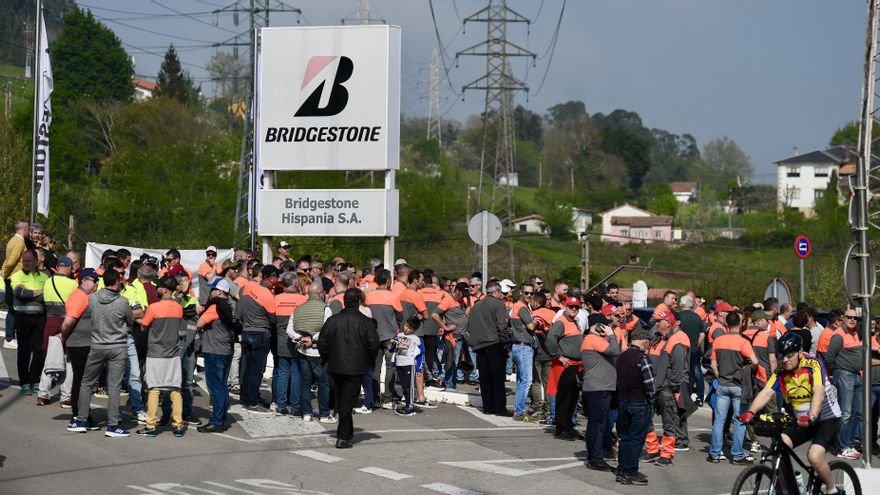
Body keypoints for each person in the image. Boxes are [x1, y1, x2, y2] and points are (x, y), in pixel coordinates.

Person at [740, 333, 842, 495]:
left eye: (789, 356)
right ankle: (789, 489)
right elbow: (767, 391)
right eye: (782, 357)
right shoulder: (781, 370)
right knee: (777, 452)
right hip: (800, 420)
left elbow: (818, 391)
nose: (785, 360)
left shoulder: (812, 364)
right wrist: (751, 411)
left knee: (814, 457)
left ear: (800, 352)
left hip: (826, 419)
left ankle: (832, 489)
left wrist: (812, 416)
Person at [69, 269, 134, 437]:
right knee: (114, 386)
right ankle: (113, 425)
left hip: (97, 345)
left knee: (86, 383)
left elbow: (89, 316)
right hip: (117, 347)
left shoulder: (92, 298)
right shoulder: (123, 302)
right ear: (117, 282)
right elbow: (130, 320)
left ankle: (81, 420)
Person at [318, 288, 380, 449]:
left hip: (336, 366)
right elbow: (373, 345)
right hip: (355, 367)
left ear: (345, 301)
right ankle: (343, 437)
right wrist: (367, 360)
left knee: (343, 400)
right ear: (359, 302)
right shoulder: (365, 322)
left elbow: (322, 342)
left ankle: (347, 433)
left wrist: (327, 358)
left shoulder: (333, 320)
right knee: (346, 402)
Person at [137, 275, 186, 437]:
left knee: (153, 390)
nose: (156, 289)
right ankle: (178, 426)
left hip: (155, 355)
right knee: (175, 390)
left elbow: (144, 326)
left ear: (164, 289)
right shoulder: (178, 307)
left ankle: (151, 426)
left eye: (158, 286)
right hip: (173, 354)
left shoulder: (153, 307)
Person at [707, 311, 759, 465]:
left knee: (719, 421)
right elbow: (755, 362)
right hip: (738, 386)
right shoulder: (743, 342)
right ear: (741, 323)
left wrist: (720, 376)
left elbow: (713, 364)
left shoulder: (718, 340)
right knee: (740, 421)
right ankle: (737, 455)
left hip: (723, 384)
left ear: (726, 324)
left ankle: (714, 454)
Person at [615, 326, 656, 486]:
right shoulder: (642, 358)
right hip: (639, 402)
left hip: (623, 400)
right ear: (645, 341)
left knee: (624, 438)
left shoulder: (621, 356)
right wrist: (651, 401)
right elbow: (650, 384)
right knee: (636, 439)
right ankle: (630, 471)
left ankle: (622, 469)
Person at [235, 265, 279, 414]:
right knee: (256, 370)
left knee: (248, 369)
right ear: (272, 277)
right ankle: (253, 402)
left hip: (246, 332)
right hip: (261, 334)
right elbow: (273, 320)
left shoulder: (247, 288)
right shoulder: (267, 295)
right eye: (276, 278)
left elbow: (239, 312)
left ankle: (247, 398)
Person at [581, 315, 621, 472]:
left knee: (596, 425)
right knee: (598, 426)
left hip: (599, 388)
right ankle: (596, 459)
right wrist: (611, 335)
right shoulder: (593, 339)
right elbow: (615, 351)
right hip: (598, 389)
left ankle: (594, 457)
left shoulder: (594, 340)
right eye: (604, 325)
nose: (607, 327)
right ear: (597, 326)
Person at [60, 268, 99, 429]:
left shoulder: (85, 296)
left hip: (84, 343)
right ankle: (78, 415)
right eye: (94, 280)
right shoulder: (79, 296)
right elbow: (68, 322)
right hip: (79, 344)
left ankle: (84, 414)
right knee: (81, 380)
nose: (97, 283)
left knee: (85, 380)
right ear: (84, 281)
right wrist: (63, 338)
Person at [35, 256, 77, 405]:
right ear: (68, 268)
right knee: (69, 359)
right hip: (67, 322)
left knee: (50, 358)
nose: (72, 271)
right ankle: (66, 397)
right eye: (71, 268)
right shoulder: (73, 284)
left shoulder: (47, 282)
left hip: (50, 321)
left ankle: (42, 394)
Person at [196, 278, 235, 433]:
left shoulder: (215, 306)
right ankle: (222, 419)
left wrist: (201, 313)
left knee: (216, 388)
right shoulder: (229, 306)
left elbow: (200, 323)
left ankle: (216, 421)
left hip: (214, 350)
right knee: (222, 386)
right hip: (226, 349)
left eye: (212, 289)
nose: (210, 292)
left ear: (219, 291)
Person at [825, 306, 864, 460]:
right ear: (843, 318)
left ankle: (848, 443)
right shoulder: (838, 335)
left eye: (856, 318)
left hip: (856, 375)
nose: (853, 320)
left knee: (857, 413)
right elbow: (829, 358)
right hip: (845, 375)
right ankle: (842, 447)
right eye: (849, 317)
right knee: (846, 413)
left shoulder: (855, 333)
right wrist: (838, 372)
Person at [291, 282, 333, 423]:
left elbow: (289, 329)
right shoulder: (325, 309)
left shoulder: (298, 309)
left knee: (305, 383)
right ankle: (324, 414)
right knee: (323, 384)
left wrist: (301, 338)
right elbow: (327, 329)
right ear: (321, 294)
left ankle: (307, 413)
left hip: (303, 351)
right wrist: (313, 339)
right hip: (319, 352)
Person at [468, 281, 511, 416]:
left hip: (479, 345)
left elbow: (471, 325)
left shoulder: (477, 305)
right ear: (497, 292)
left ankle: (488, 407)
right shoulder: (498, 304)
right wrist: (505, 342)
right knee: (497, 377)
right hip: (494, 343)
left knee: (485, 378)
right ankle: (499, 408)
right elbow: (501, 326)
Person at [547, 296, 586, 440]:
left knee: (573, 398)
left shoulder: (573, 321)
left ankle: (568, 426)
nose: (574, 309)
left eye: (576, 307)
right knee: (564, 397)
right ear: (565, 307)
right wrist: (558, 355)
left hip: (575, 365)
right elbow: (550, 338)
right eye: (571, 307)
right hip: (566, 365)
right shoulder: (561, 322)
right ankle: (561, 427)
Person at [10, 249, 48, 394]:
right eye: (23, 260)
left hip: (39, 318)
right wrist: (38, 292)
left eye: (28, 261)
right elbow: (20, 293)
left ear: (36, 261)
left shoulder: (45, 277)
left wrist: (30, 294)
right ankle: (24, 382)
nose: (25, 263)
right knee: (24, 351)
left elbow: (46, 296)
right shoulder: (17, 276)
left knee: (39, 351)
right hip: (22, 318)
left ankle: (34, 380)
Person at [365, 269, 403, 409]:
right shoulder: (392, 297)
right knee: (390, 367)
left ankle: (375, 397)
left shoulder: (368, 297)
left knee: (375, 368)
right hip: (390, 338)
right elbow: (400, 317)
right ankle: (387, 397)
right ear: (388, 281)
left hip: (373, 337)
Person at [273, 273, 307, 417]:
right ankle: (295, 406)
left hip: (281, 341)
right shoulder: (304, 299)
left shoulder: (277, 299)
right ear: (294, 283)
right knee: (296, 373)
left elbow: (272, 320)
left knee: (282, 373)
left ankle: (281, 405)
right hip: (298, 340)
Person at [509, 282, 537, 421]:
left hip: (518, 346)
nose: (529, 295)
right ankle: (519, 411)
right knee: (526, 380)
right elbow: (532, 326)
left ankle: (518, 410)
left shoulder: (518, 306)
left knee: (521, 380)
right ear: (520, 292)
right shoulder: (522, 308)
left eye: (531, 293)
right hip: (523, 346)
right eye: (526, 293)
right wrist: (535, 320)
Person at [677, 294, 706, 406]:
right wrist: (695, 345)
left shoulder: (678, 316)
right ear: (691, 305)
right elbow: (702, 334)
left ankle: (683, 396)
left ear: (681, 305)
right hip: (694, 350)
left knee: (681, 373)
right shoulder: (697, 317)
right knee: (696, 373)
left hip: (680, 350)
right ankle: (700, 397)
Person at [392, 316, 422, 416]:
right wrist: (392, 344)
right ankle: (407, 404)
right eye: (405, 326)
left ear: (414, 329)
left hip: (409, 364)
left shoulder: (416, 339)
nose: (406, 328)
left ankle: (410, 406)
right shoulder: (399, 335)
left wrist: (418, 367)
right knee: (404, 386)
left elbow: (420, 353)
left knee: (409, 386)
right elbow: (392, 349)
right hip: (399, 363)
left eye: (409, 328)